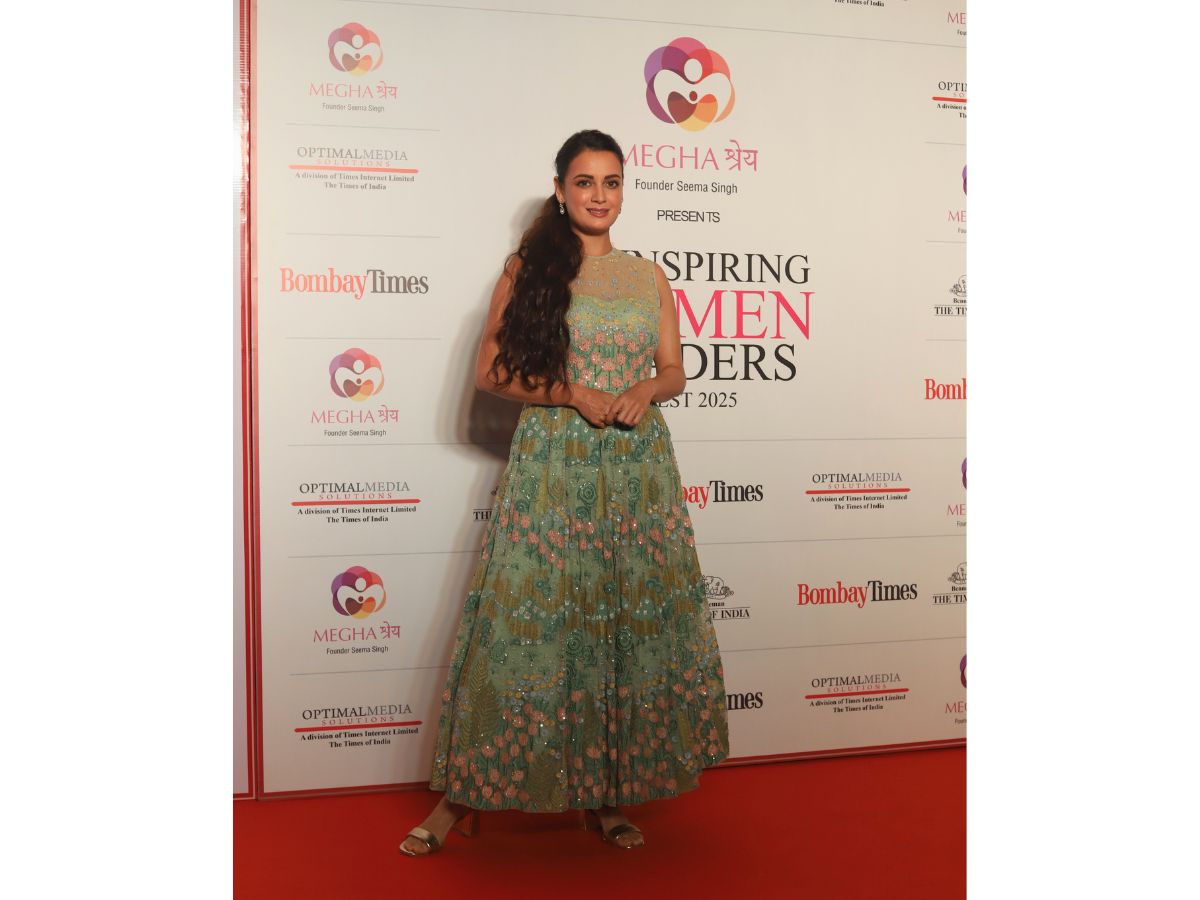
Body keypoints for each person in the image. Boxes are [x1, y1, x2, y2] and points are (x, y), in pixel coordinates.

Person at [399, 129, 729, 856]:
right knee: (529, 629)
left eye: (611, 182)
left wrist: (647, 388)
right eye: (584, 182)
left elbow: (674, 369)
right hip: (553, 464)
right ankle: (460, 798)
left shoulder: (648, 277)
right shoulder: (530, 269)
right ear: (559, 190)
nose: (598, 196)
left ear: (624, 191)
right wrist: (573, 393)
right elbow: (490, 372)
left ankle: (605, 795)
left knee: (617, 625)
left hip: (635, 469)